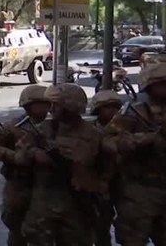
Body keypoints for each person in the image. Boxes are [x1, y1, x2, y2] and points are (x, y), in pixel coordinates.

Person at [16, 83, 102, 245]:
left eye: (56, 105)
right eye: (50, 104)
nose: (51, 109)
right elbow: (20, 158)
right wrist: (34, 153)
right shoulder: (42, 130)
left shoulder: (93, 134)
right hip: (44, 206)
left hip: (77, 205)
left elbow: (105, 168)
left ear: (71, 106)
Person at [106, 62, 166, 245]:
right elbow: (109, 142)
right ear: (150, 87)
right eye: (164, 83)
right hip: (140, 190)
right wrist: (140, 140)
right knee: (133, 239)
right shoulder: (134, 113)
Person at [0, 85, 50, 246]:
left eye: (45, 104)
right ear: (27, 105)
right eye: (38, 104)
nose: (43, 108)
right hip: (19, 185)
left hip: (48, 186)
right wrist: (15, 157)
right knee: (16, 228)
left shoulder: (55, 126)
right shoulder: (12, 127)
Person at [90, 90, 122, 246]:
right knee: (100, 227)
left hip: (124, 183)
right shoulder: (89, 131)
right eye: (107, 107)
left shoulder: (126, 127)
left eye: (115, 107)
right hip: (97, 185)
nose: (112, 111)